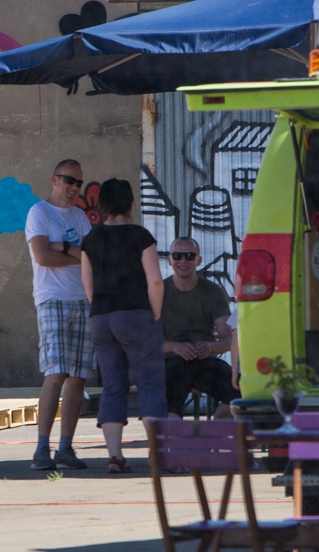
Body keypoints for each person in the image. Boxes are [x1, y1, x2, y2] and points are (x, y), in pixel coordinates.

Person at [78, 177, 166, 474]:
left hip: (101, 318)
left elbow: (86, 283)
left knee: (113, 385)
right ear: (131, 204)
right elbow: (154, 279)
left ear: (102, 205)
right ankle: (156, 454)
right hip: (136, 314)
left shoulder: (90, 239)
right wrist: (155, 312)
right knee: (149, 383)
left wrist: (100, 307)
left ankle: (114, 456)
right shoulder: (141, 236)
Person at [24, 159, 93, 470]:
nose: (74, 188)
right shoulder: (40, 212)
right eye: (69, 180)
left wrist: (62, 247)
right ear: (54, 179)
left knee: (78, 376)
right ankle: (42, 448)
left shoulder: (80, 217)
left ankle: (66, 447)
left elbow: (90, 256)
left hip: (83, 300)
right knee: (56, 372)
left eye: (78, 182)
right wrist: (73, 253)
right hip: (52, 299)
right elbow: (43, 257)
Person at [160, 237, 236, 419]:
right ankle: (177, 441)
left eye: (189, 256)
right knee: (165, 404)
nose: (183, 261)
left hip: (205, 362)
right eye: (177, 256)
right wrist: (174, 347)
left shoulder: (213, 291)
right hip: (170, 363)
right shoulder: (159, 291)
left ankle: (212, 433)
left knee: (239, 393)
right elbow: (145, 341)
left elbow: (228, 338)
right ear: (169, 260)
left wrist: (210, 347)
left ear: (199, 260)